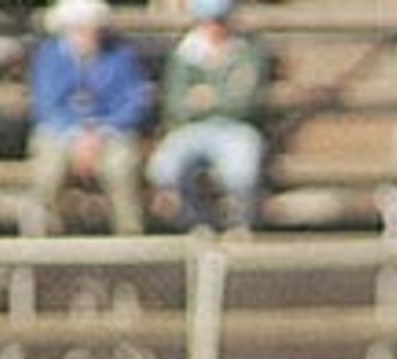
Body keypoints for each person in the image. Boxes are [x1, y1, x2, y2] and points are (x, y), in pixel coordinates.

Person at [28, 0, 151, 234]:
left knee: (122, 167)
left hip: (112, 131)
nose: (87, 36)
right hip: (59, 131)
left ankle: (130, 239)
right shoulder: (49, 56)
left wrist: (100, 133)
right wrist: (75, 134)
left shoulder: (121, 55)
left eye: (92, 30)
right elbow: (45, 104)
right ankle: (43, 241)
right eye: (80, 29)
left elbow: (134, 101)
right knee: (47, 172)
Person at [147, 0, 267, 231]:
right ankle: (196, 221)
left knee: (242, 171)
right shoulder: (185, 55)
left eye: (219, 21)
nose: (214, 27)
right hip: (192, 128)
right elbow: (176, 104)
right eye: (208, 21)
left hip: (234, 127)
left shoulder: (245, 52)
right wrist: (218, 98)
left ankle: (239, 224)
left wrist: (206, 99)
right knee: (164, 168)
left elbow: (244, 103)